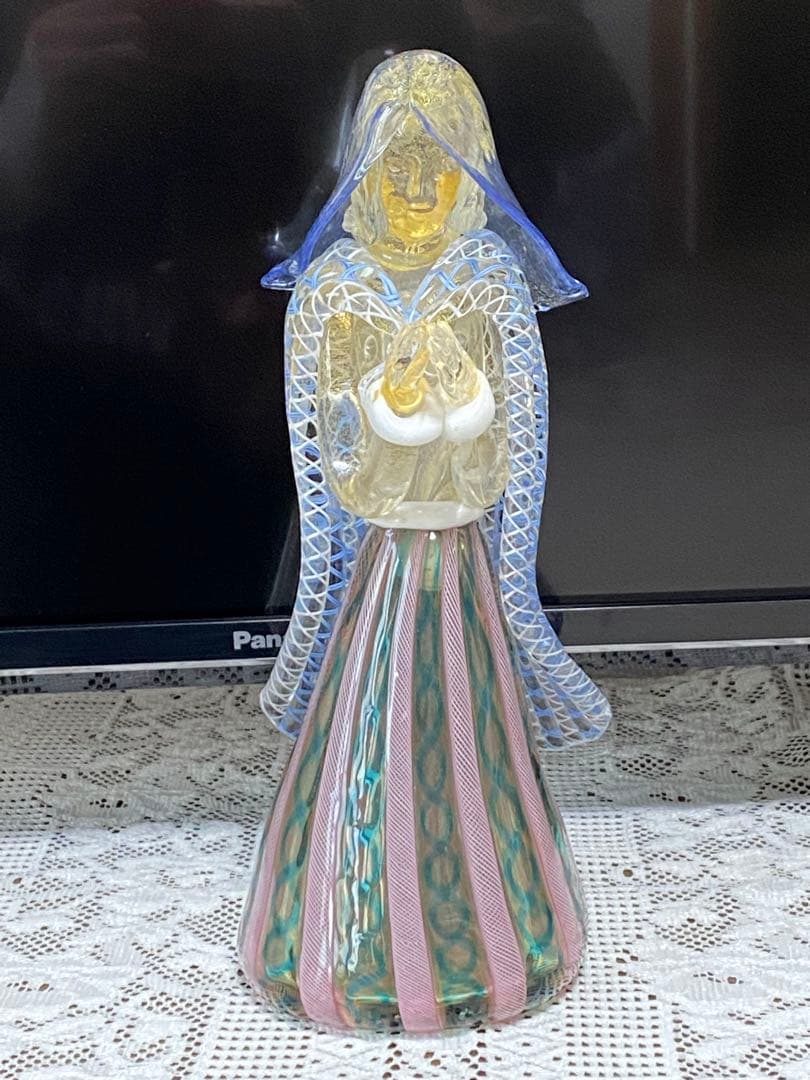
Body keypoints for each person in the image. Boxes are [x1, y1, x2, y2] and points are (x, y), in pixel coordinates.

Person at [239, 49, 611, 1033]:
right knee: (371, 730)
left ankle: (496, 938)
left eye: (436, 165)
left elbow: (506, 436)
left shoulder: (486, 280)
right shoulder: (338, 289)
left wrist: (452, 399)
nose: (413, 187)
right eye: (394, 164)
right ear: (362, 169)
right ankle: (341, 943)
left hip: (457, 556)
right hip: (382, 562)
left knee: (468, 733)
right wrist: (390, 399)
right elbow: (334, 446)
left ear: (470, 171)